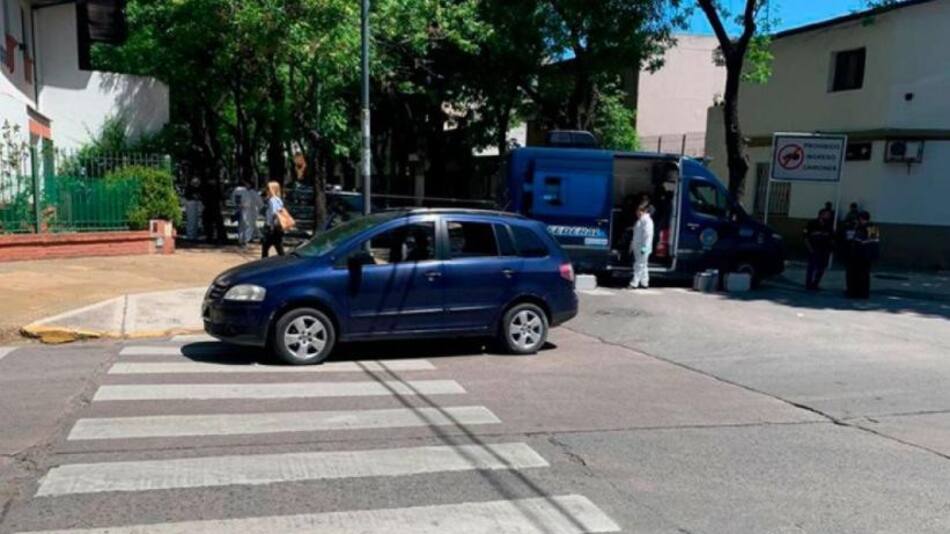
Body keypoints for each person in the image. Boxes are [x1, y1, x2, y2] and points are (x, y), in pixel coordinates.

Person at [844, 211, 879, 299]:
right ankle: (864, 293)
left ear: (861, 219)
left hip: (858, 255)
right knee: (865, 275)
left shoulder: (861, 228)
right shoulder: (873, 227)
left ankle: (853, 292)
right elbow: (874, 242)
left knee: (853, 274)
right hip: (868, 256)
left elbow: (856, 240)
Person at [803, 208, 834, 291]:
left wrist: (830, 249)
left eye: (829, 215)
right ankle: (808, 284)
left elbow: (831, 238)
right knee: (812, 267)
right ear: (821, 214)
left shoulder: (829, 225)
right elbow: (805, 237)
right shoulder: (812, 223)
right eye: (827, 214)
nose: (828, 216)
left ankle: (815, 284)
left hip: (824, 250)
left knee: (821, 268)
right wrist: (810, 248)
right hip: (814, 248)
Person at [629, 201, 654, 289]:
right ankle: (644, 283)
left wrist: (644, 249)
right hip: (638, 247)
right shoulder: (640, 221)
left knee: (639, 265)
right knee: (643, 265)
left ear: (643, 211)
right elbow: (636, 234)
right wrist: (632, 245)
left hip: (643, 248)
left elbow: (648, 237)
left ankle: (634, 283)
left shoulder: (647, 221)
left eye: (639, 211)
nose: (637, 213)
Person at [233, 180, 263, 248]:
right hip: (249, 210)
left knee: (241, 226)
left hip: (239, 209)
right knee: (249, 226)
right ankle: (245, 240)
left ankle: (241, 240)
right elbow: (260, 203)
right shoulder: (249, 192)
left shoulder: (235, 191)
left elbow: (233, 200)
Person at [262, 181, 287, 258]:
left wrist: (271, 227)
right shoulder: (278, 199)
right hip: (278, 227)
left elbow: (274, 214)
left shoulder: (272, 200)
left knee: (266, 247)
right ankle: (283, 260)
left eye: (268, 188)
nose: (266, 190)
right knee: (277, 246)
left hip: (273, 227)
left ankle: (264, 263)